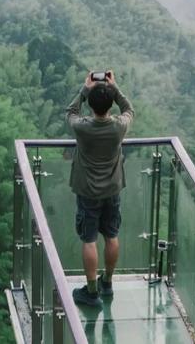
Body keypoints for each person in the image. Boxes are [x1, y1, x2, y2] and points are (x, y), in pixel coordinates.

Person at [66, 70, 134, 308]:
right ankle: (107, 282)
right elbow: (129, 109)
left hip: (88, 192)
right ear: (109, 106)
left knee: (89, 239)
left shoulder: (83, 127)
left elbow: (71, 112)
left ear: (92, 106)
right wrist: (114, 89)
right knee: (112, 236)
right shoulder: (118, 127)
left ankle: (91, 291)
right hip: (112, 190)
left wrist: (85, 90)